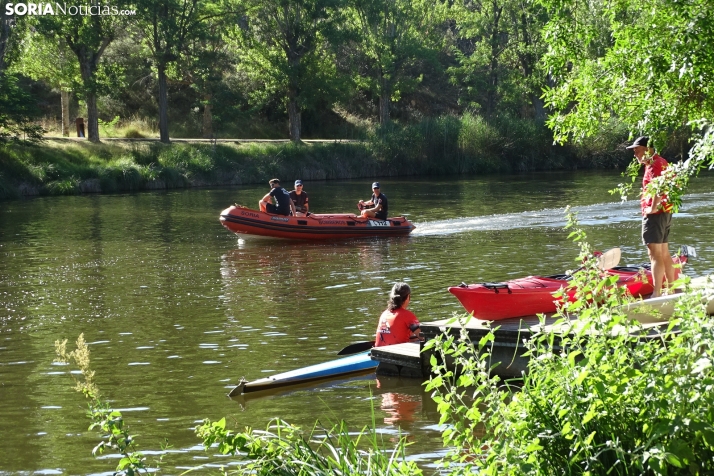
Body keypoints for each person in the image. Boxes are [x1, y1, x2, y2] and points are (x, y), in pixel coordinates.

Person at [627, 136, 675, 297]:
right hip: (665, 212)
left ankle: (657, 293)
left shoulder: (655, 164)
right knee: (663, 253)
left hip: (656, 215)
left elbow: (659, 187)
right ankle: (671, 288)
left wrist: (652, 208)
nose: (635, 154)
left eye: (637, 150)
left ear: (648, 149)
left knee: (654, 254)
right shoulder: (659, 162)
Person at [374, 282, 421, 347]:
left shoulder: (384, 314)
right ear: (407, 297)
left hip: (378, 352)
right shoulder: (407, 315)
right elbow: (423, 337)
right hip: (396, 353)